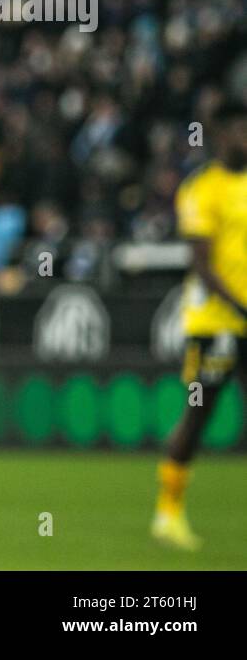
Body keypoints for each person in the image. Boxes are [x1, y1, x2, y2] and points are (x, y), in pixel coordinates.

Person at [152, 100, 247, 550]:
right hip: (215, 323)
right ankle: (168, 512)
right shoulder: (202, 189)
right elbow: (202, 266)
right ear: (220, 135)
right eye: (238, 130)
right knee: (200, 415)